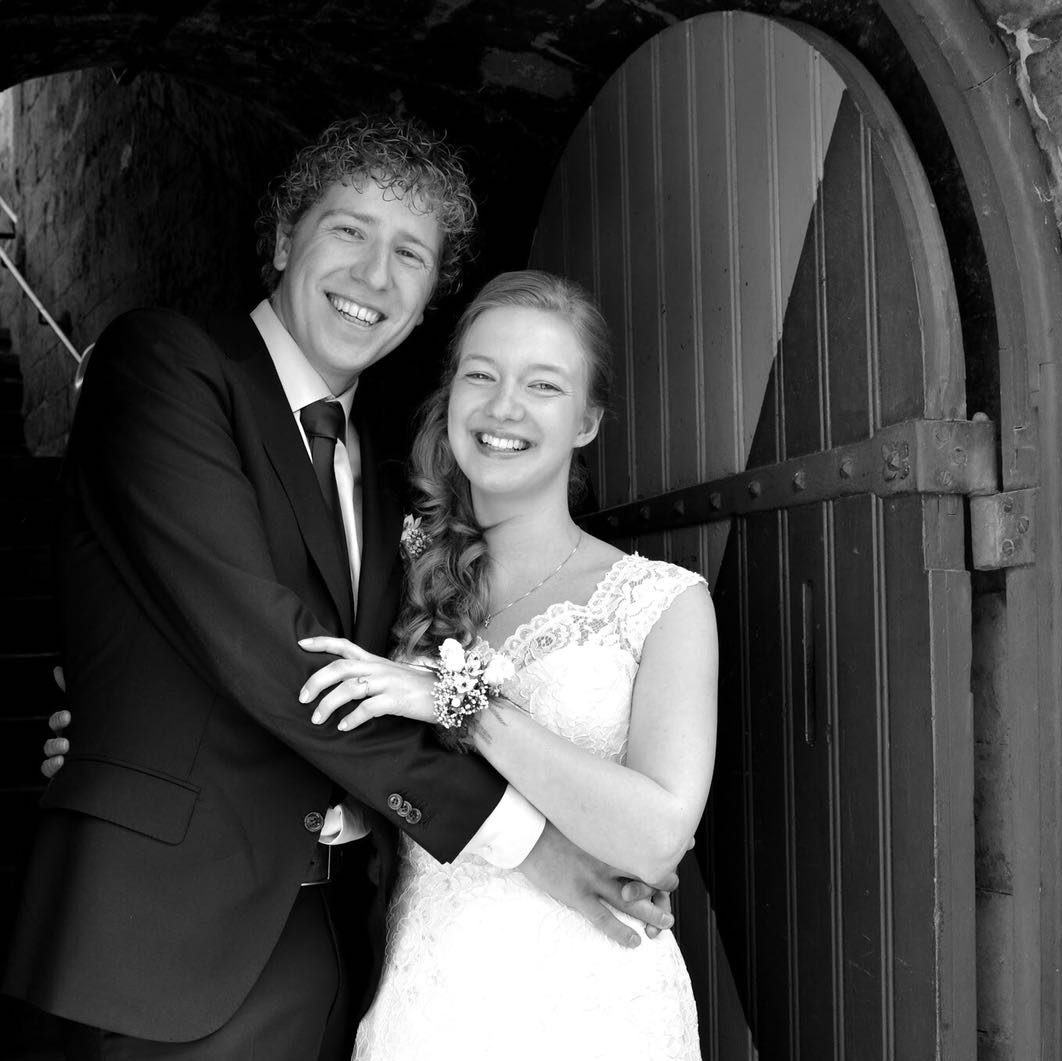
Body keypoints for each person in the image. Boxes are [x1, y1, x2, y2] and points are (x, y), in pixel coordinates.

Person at [8, 119, 674, 1061]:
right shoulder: (164, 366)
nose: (373, 275)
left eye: (410, 254)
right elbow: (269, 646)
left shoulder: (390, 479)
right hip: (164, 940)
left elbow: (405, 676)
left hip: (356, 953)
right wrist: (528, 843)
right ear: (285, 238)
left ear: (427, 300)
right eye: (349, 230)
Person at [297, 270, 719, 1059]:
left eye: (543, 385)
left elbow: (657, 838)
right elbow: (295, 698)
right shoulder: (387, 575)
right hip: (426, 1004)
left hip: (601, 1011)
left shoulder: (663, 602)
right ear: (450, 393)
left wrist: (458, 702)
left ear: (587, 421)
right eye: (482, 375)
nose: (504, 407)